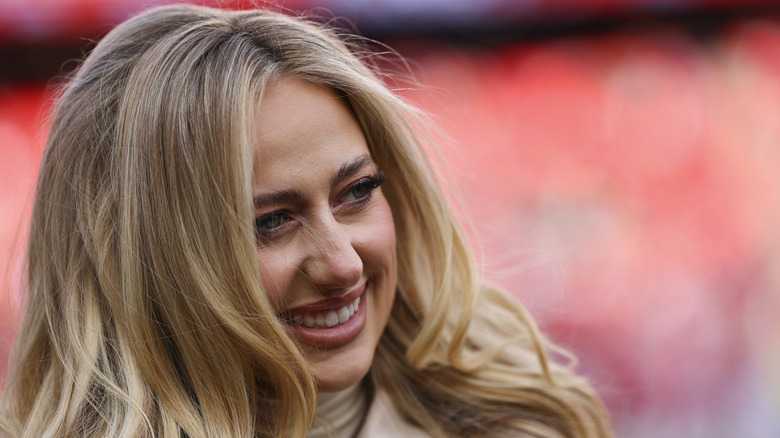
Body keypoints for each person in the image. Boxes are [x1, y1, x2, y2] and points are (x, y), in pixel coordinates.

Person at [0, 5, 612, 437]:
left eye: (357, 192)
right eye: (271, 223)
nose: (343, 263)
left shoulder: (522, 424)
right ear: (144, 259)